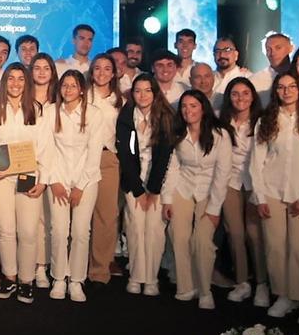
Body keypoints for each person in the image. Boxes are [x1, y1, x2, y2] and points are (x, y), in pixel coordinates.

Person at [248, 72, 299, 325]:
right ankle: (284, 295)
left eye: (291, 86)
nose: (286, 91)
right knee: (275, 248)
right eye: (281, 87)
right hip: (272, 193)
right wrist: (260, 196)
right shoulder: (267, 120)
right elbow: (257, 161)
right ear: (275, 91)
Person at [0, 62, 55, 302]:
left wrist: (43, 181)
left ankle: (26, 280)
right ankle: (10, 277)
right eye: (11, 78)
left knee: (29, 231)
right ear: (4, 82)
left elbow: (45, 149)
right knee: (6, 230)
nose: (15, 83)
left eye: (21, 79)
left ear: (27, 82)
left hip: (28, 177)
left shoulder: (36, 110)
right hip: (0, 179)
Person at [161, 90, 232, 310]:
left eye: (193, 106)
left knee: (201, 240)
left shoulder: (220, 134)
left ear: (203, 108)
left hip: (209, 191)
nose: (188, 110)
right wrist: (167, 199)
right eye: (184, 106)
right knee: (178, 234)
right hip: (184, 187)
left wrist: (214, 209)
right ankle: (185, 287)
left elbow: (223, 173)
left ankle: (204, 290)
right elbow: (173, 168)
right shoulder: (179, 133)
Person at [47, 70, 103, 302]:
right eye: (65, 85)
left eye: (73, 85)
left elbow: (94, 151)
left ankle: (77, 280)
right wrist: (54, 180)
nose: (68, 90)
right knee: (59, 230)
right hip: (58, 178)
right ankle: (59, 277)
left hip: (86, 179)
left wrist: (80, 185)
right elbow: (46, 149)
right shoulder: (51, 112)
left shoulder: (94, 114)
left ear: (82, 89)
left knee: (80, 231)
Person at [116, 74, 175, 297]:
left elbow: (165, 155)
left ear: (155, 92)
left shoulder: (166, 117)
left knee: (154, 229)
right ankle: (136, 276)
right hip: (133, 181)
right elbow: (125, 154)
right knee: (134, 227)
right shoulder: (126, 116)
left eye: (147, 90)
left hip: (158, 181)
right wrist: (139, 190)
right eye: (138, 90)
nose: (142, 95)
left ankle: (151, 278)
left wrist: (153, 190)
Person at [217, 77, 270, 307]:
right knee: (235, 234)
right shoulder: (222, 121)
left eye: (245, 93)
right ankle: (242, 282)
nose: (240, 98)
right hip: (230, 182)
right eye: (235, 94)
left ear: (253, 96)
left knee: (254, 235)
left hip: (255, 182)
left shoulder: (263, 121)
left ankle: (261, 284)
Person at [85, 53, 123, 283]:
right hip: (80, 159)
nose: (101, 73)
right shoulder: (81, 95)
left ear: (113, 73)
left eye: (107, 68)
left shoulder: (120, 100)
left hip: (108, 159)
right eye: (97, 68)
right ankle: (73, 267)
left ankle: (99, 270)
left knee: (106, 216)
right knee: (79, 215)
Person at [29, 52, 59, 285]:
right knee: (36, 219)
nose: (41, 72)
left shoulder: (61, 99)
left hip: (60, 165)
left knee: (55, 220)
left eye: (46, 68)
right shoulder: (23, 98)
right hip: (31, 165)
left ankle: (56, 267)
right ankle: (38, 266)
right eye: (36, 67)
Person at [250, 32, 293, 98]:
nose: (272, 53)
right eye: (268, 49)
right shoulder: (254, 80)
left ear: (290, 48)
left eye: (278, 48)